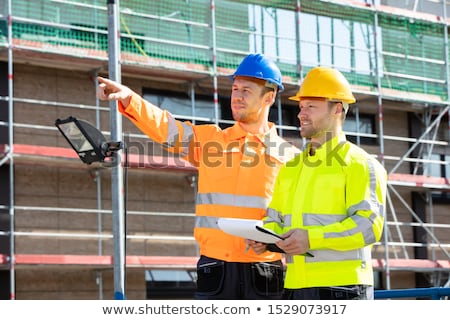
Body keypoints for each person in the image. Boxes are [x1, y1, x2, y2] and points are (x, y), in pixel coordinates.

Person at [97, 53, 299, 299]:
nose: (236, 95)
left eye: (246, 90)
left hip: (265, 270)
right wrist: (130, 99)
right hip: (215, 268)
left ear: (268, 97)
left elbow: (298, 216)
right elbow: (166, 127)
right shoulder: (211, 142)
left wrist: (275, 241)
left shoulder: (290, 157)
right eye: (235, 88)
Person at [246, 66, 387, 300]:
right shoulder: (291, 168)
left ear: (337, 109)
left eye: (311, 106)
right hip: (294, 286)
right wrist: (264, 237)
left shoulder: (360, 164)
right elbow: (275, 220)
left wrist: (311, 239)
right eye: (301, 107)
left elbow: (368, 227)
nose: (301, 114)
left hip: (344, 288)